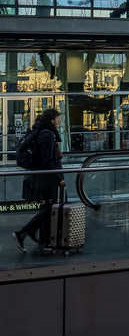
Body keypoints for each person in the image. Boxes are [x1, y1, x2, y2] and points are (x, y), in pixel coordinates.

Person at [13, 107, 62, 251]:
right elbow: (47, 160)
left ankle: (43, 240)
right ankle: (23, 233)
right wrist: (59, 177)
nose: (58, 122)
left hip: (38, 176)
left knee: (47, 207)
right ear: (52, 120)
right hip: (46, 177)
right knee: (49, 208)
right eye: (57, 119)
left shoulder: (38, 131)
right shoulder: (48, 135)